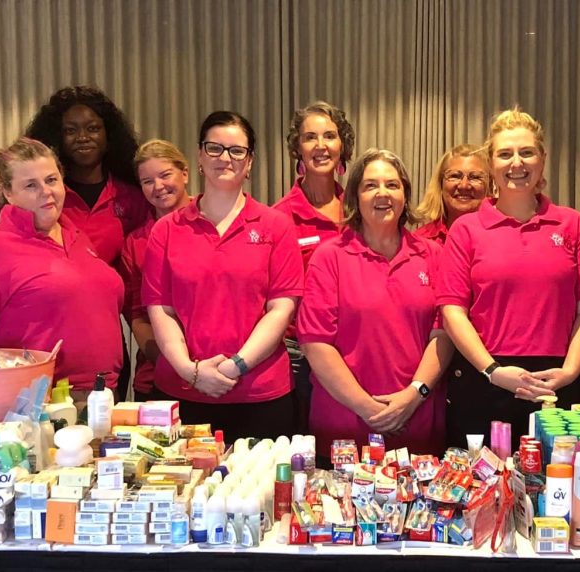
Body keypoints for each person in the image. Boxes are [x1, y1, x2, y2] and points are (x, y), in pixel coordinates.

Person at [437, 108, 580, 449]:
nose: (517, 163)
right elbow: (453, 312)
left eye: (526, 152)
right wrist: (493, 371)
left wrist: (570, 371)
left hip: (557, 383)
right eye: (505, 154)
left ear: (542, 160)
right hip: (486, 379)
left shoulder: (572, 225)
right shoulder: (466, 230)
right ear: (491, 164)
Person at [143, 111, 303, 439]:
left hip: (260, 394)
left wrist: (235, 366)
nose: (225, 158)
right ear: (200, 157)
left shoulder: (276, 226)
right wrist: (191, 371)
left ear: (250, 162)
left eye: (236, 150)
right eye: (214, 148)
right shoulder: (166, 230)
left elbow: (281, 309)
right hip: (182, 392)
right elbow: (160, 309)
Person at [0, 138, 124, 399]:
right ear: (8, 193)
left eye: (51, 180)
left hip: (102, 395)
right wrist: (15, 389)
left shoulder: (78, 236)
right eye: (31, 185)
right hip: (38, 404)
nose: (46, 191)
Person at [299, 148, 452, 455]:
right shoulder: (329, 257)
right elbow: (316, 343)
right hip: (344, 427)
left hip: (417, 423)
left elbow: (444, 334)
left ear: (405, 196)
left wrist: (414, 396)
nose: (383, 193)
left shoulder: (433, 255)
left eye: (392, 185)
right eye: (370, 185)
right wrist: (367, 408)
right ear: (354, 197)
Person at [274, 101, 356, 432]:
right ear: (298, 148)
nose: (321, 146)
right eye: (310, 137)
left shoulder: (359, 210)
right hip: (300, 356)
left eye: (330, 136)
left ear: (343, 146)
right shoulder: (279, 217)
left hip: (355, 348)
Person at [24, 86, 150, 266]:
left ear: (109, 136)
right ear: (57, 137)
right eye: (70, 130)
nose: (82, 137)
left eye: (93, 128)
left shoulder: (132, 197)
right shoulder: (45, 196)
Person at [120, 140, 194, 401]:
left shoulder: (215, 222)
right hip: (157, 377)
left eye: (165, 175)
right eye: (147, 181)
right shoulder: (136, 242)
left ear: (184, 173)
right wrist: (175, 364)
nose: (158, 187)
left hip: (222, 372)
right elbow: (138, 317)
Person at [414, 144, 491, 244]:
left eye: (475, 177)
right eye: (455, 176)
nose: (464, 185)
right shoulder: (419, 242)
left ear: (490, 185)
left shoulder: (503, 237)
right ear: (440, 184)